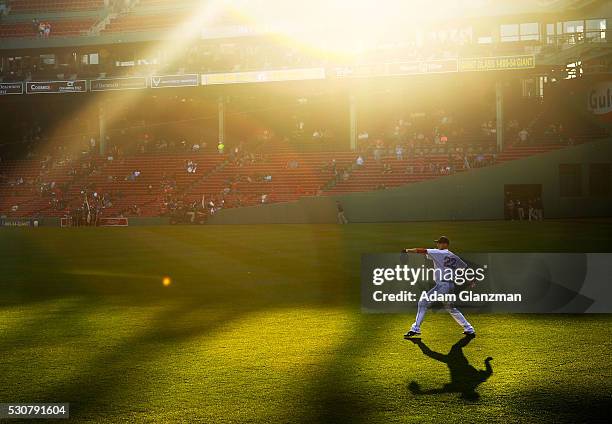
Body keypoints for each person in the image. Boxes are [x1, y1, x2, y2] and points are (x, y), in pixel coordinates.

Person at [403, 236, 475, 338]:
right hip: (450, 285)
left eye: (439, 243)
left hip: (443, 285)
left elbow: (421, 250)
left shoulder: (438, 252)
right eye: (437, 243)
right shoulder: (453, 256)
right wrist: (470, 280)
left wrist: (407, 250)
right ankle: (469, 328)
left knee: (423, 302)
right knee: (451, 308)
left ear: (445, 244)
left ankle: (415, 328)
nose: (437, 244)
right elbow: (464, 268)